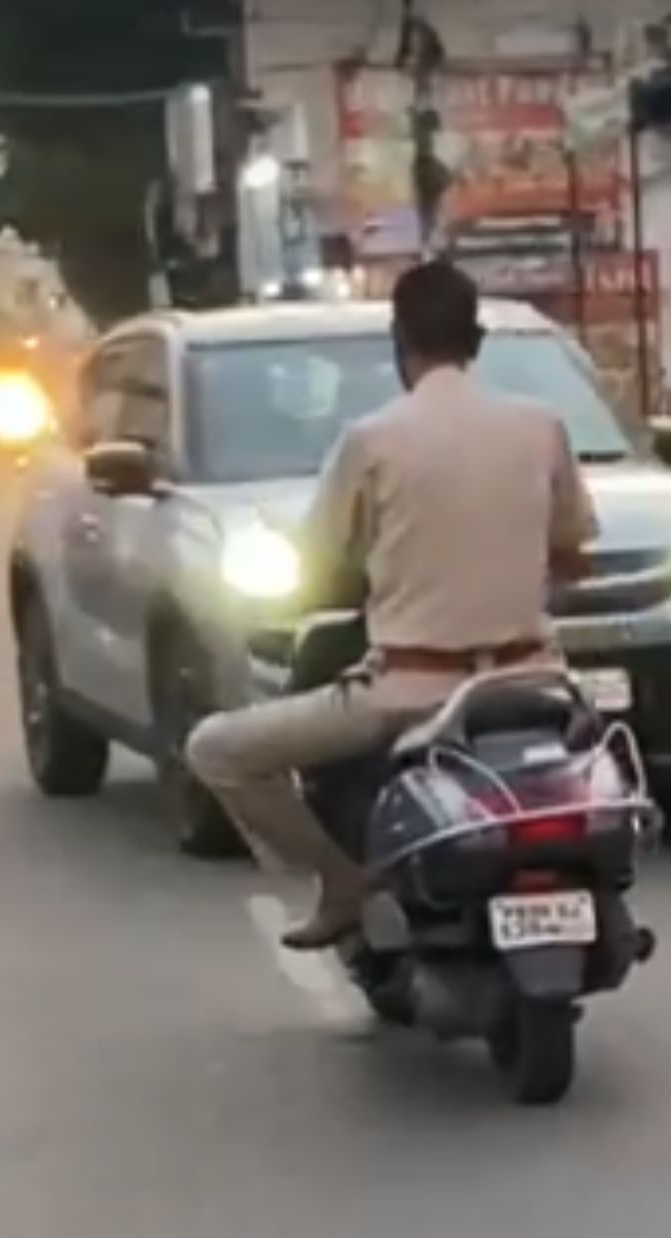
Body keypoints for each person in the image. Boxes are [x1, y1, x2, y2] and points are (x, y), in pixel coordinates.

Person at [186, 260, 599, 949]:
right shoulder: (542, 427)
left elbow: (321, 564)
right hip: (534, 683)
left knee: (217, 749)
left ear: (399, 341)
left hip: (407, 694)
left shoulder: (371, 441)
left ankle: (342, 881)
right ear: (477, 340)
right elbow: (573, 553)